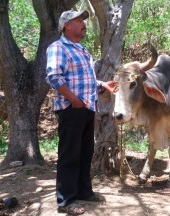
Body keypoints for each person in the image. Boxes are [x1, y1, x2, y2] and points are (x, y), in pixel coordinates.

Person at [45, 9, 118, 215]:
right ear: (67, 25)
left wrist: (104, 84)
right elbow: (54, 77)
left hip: (87, 108)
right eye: (79, 20)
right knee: (69, 155)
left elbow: (87, 81)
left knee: (85, 153)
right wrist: (73, 100)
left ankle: (84, 192)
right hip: (71, 109)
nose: (83, 23)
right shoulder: (58, 48)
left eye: (83, 20)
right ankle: (66, 201)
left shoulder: (82, 50)